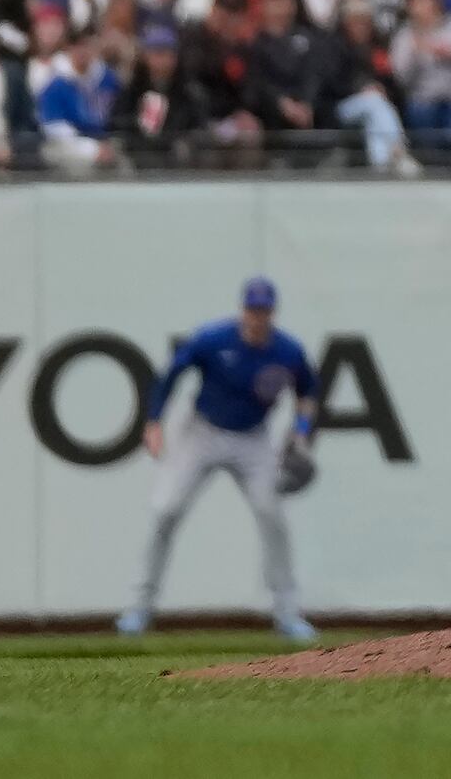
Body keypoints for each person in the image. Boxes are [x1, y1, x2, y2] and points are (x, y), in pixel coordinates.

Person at [120, 272, 322, 644]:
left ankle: (288, 614)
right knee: (165, 510)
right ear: (242, 309)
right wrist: (154, 421)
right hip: (202, 432)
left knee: (272, 516)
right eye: (252, 309)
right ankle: (139, 608)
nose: (257, 317)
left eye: (263, 310)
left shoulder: (288, 351)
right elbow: (172, 374)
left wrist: (301, 432)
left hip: (253, 438)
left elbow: (307, 393)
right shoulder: (213, 339)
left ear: (272, 312)